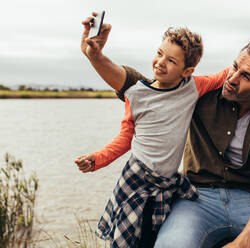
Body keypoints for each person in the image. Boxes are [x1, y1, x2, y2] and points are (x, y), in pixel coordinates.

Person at [79, 15, 250, 248]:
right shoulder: (199, 96)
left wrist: (243, 242)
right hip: (197, 198)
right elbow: (142, 86)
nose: (232, 78)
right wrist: (96, 55)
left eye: (246, 76)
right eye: (234, 66)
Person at [75, 13, 236, 248]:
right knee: (129, 241)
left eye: (171, 60)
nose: (160, 62)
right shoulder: (137, 93)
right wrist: (97, 159)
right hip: (136, 180)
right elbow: (126, 138)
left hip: (166, 185)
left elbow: (226, 73)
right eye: (159, 53)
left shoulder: (194, 86)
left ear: (187, 70)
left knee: (154, 239)